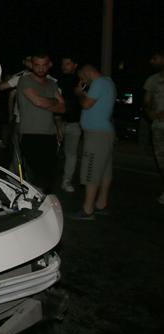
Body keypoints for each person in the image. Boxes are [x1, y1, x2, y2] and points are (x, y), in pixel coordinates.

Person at [70, 64, 117, 220]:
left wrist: (79, 93)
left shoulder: (98, 83)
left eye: (82, 78)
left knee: (91, 169)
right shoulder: (109, 82)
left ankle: (88, 210)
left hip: (96, 135)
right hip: (106, 133)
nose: (83, 81)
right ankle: (101, 204)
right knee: (104, 171)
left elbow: (87, 104)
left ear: (87, 72)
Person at [16, 53, 65, 193]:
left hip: (50, 134)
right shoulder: (25, 81)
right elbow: (37, 101)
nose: (41, 69)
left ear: (49, 65)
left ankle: (46, 208)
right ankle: (33, 207)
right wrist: (53, 101)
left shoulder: (52, 83)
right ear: (32, 65)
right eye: (37, 65)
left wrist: (47, 102)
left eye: (44, 65)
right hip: (30, 134)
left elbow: (63, 107)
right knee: (35, 177)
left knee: (49, 177)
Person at [58, 55, 83, 192]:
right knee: (51, 151)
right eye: (63, 63)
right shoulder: (57, 81)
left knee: (71, 154)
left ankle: (66, 180)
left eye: (68, 63)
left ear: (75, 65)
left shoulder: (81, 82)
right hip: (58, 123)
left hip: (74, 123)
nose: (64, 66)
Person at [143, 50, 164, 205]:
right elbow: (146, 101)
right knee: (161, 161)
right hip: (158, 127)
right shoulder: (152, 80)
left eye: (155, 58)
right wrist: (150, 113)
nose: (152, 61)